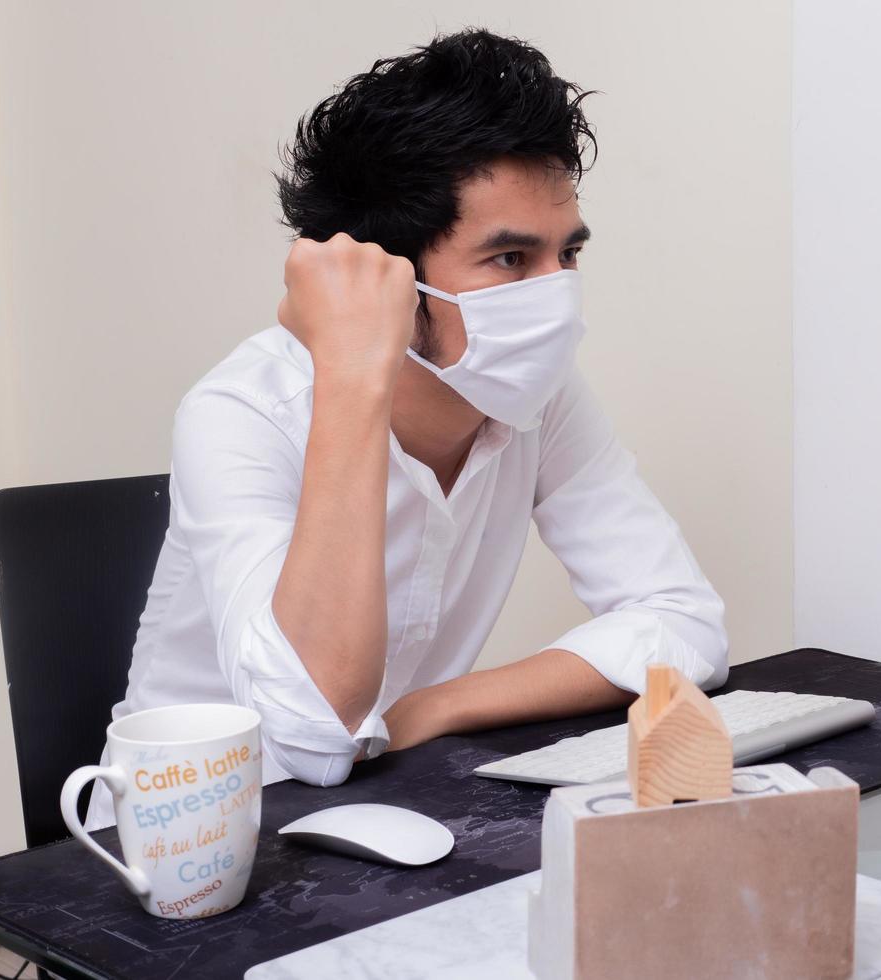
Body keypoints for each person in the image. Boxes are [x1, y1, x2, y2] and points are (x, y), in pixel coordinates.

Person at [87, 29, 728, 829]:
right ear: (386, 274)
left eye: (567, 254)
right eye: (510, 260)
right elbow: (316, 732)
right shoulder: (241, 412)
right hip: (193, 843)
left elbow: (682, 619)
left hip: (393, 793)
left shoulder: (542, 394)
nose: (555, 294)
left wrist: (436, 706)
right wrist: (354, 375)